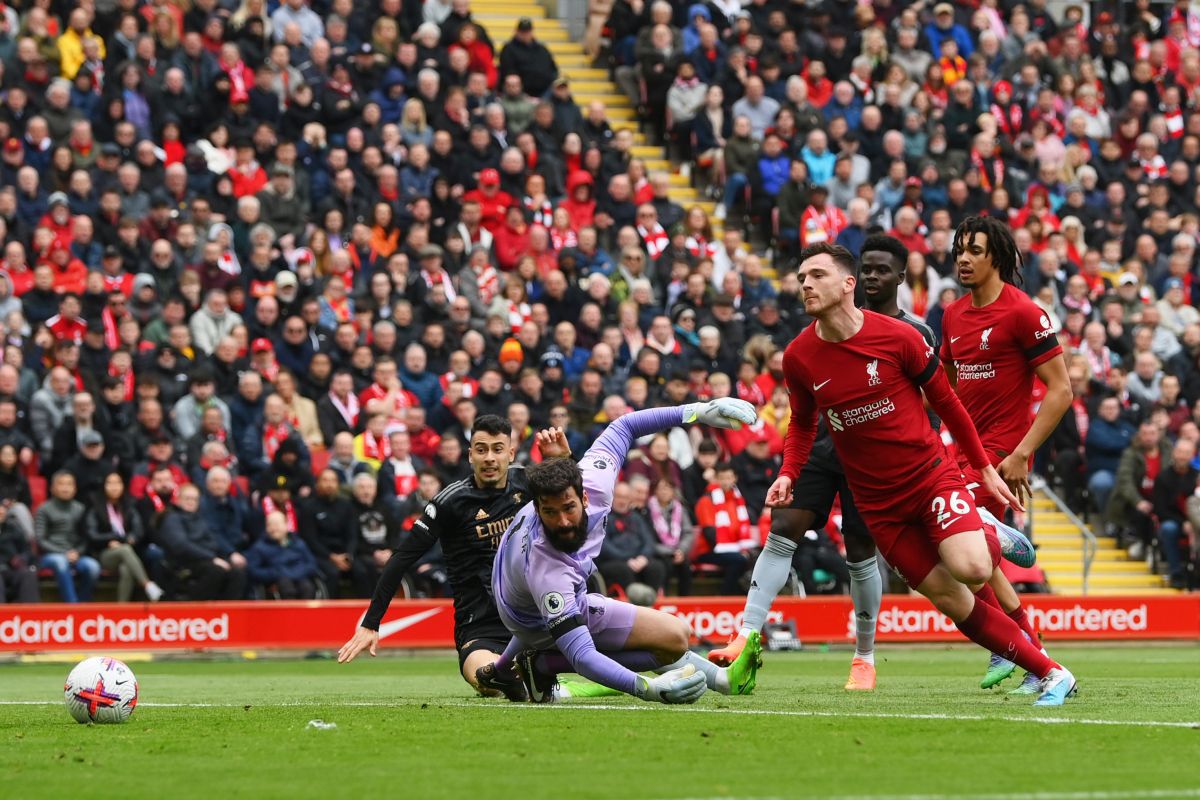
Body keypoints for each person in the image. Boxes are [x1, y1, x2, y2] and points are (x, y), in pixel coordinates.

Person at [763, 242, 1075, 706]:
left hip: (929, 479)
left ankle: (986, 530)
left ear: (848, 284)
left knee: (972, 568)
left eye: (817, 275)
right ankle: (1053, 673)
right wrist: (789, 472)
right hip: (879, 507)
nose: (806, 284)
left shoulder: (900, 337)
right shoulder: (799, 356)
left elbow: (948, 403)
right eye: (802, 277)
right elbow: (804, 423)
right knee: (953, 601)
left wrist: (983, 469)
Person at [709, 235, 960, 691]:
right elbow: (802, 418)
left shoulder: (913, 333)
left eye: (881, 269)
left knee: (860, 551)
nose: (872, 276)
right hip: (824, 449)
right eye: (867, 268)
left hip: (874, 460)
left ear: (900, 277)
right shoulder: (814, 340)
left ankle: (864, 657)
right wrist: (788, 470)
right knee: (783, 525)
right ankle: (745, 635)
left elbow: (935, 403)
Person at [486, 399, 764, 704]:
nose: (563, 521)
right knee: (668, 639)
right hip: (529, 620)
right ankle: (540, 663)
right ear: (538, 509)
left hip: (515, 585)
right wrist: (647, 688)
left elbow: (624, 425)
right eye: (550, 513)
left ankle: (506, 667)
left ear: (585, 497)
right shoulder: (548, 569)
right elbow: (582, 656)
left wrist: (699, 411)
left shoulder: (595, 481)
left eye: (568, 508)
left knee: (670, 634)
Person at [337, 414, 560, 699]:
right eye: (481, 450)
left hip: (531, 616)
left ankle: (539, 670)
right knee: (489, 680)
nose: (489, 458)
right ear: (470, 455)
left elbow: (576, 505)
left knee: (588, 651)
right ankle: (520, 674)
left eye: (497, 449)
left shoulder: (526, 484)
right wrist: (371, 623)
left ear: (511, 453)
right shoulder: (450, 502)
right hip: (480, 625)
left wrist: (563, 460)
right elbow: (402, 558)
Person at [942, 216, 1072, 692]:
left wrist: (1021, 454)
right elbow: (947, 391)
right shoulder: (952, 315)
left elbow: (1061, 390)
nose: (963, 259)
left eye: (974, 250)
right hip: (960, 453)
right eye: (959, 250)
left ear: (996, 256)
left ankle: (1009, 645)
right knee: (975, 559)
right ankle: (1032, 655)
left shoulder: (1024, 312)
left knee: (957, 545)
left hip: (1001, 455)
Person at [157, 483, 248, 601]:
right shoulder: (171, 518)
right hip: (184, 564)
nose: (191, 502)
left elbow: (213, 542)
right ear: (178, 500)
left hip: (205, 560)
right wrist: (211, 558)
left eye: (194, 499)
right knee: (216, 571)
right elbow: (181, 545)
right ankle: (196, 607)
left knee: (237, 573)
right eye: (187, 498)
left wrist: (223, 557)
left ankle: (228, 610)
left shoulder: (200, 519)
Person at [84, 472, 164, 602]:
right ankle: (148, 585)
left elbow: (138, 530)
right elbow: (92, 535)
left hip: (128, 552)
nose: (114, 487)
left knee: (126, 568)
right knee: (125, 549)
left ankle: (122, 607)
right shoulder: (95, 507)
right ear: (103, 486)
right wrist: (111, 540)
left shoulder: (129, 505)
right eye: (110, 483)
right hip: (104, 553)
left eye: (118, 483)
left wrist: (130, 539)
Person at [35, 472, 97, 603]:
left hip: (75, 555)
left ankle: (83, 605)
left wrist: (78, 552)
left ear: (75, 488)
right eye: (61, 484)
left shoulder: (80, 509)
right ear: (52, 488)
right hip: (50, 555)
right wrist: (63, 553)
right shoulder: (43, 509)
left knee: (93, 567)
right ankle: (72, 606)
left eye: (69, 484)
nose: (65, 488)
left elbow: (86, 537)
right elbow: (40, 539)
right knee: (60, 562)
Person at [246, 509, 322, 599]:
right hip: (277, 581)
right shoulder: (259, 547)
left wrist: (297, 572)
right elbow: (253, 570)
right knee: (286, 587)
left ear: (286, 525)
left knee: (307, 587)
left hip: (301, 576)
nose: (274, 528)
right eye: (270, 524)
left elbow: (312, 563)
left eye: (277, 524)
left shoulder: (298, 542)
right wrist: (273, 573)